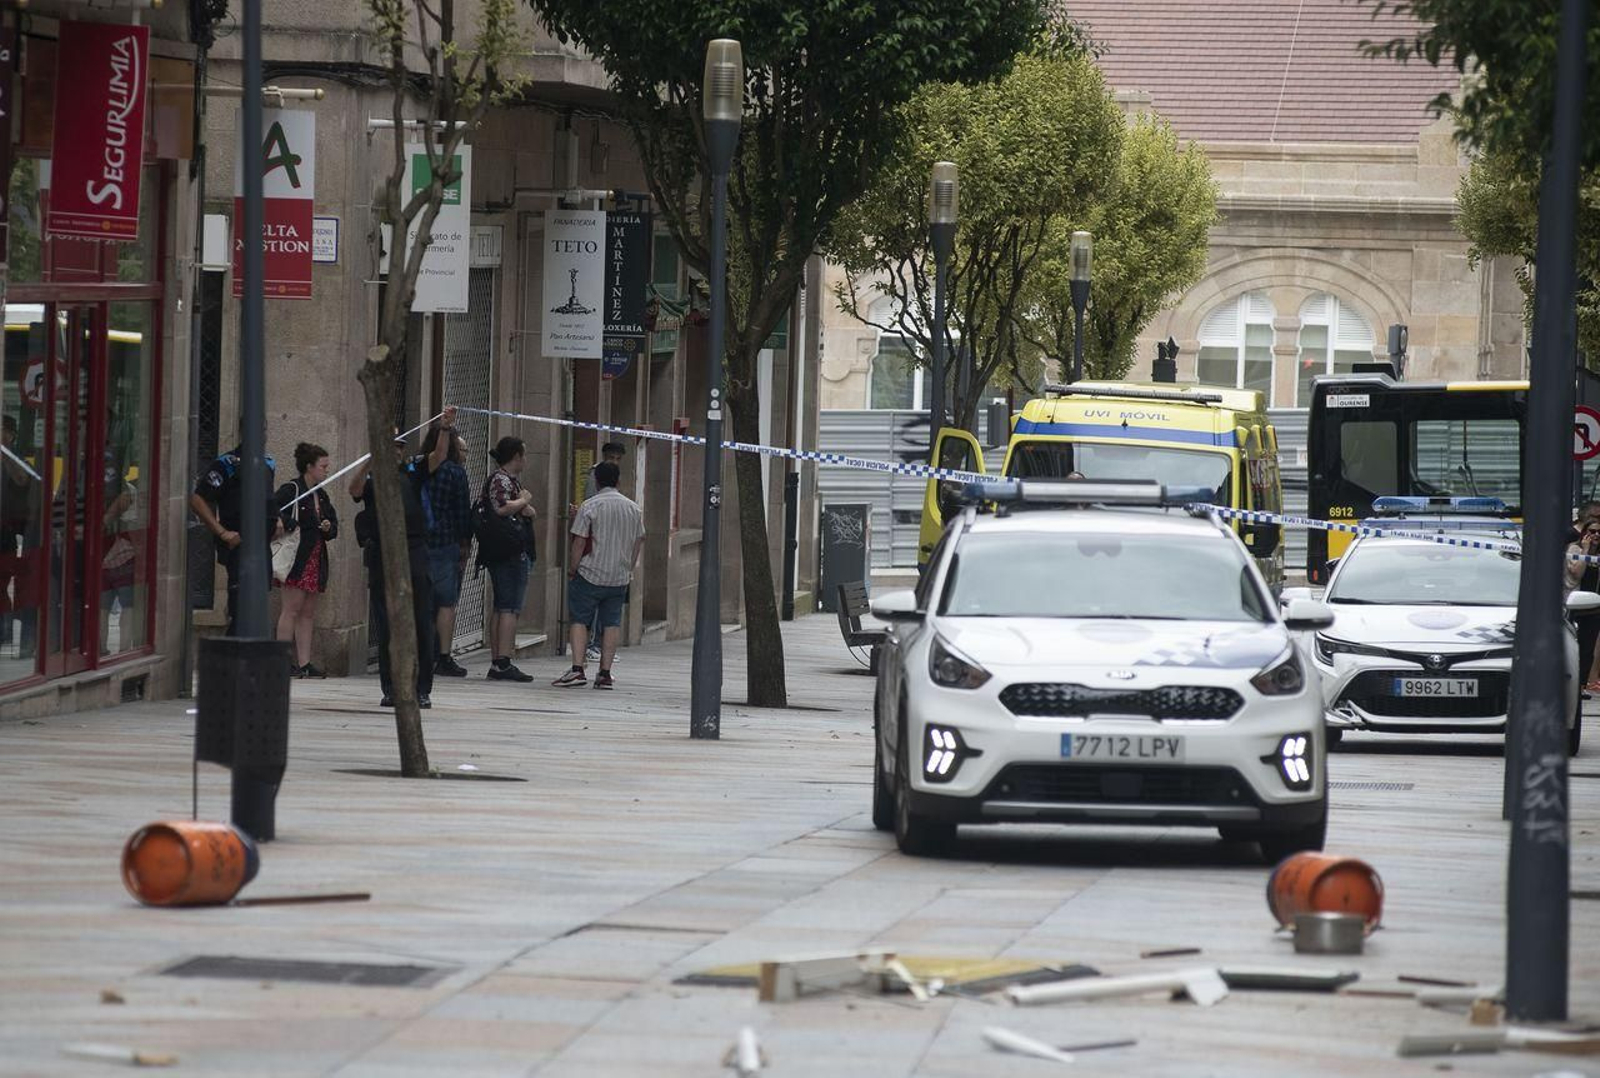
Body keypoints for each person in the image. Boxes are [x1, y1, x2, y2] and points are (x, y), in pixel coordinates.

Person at [352, 407, 456, 708]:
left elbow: (438, 456)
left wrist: (445, 429)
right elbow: (353, 490)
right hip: (382, 554)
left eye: (399, 446)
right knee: (386, 626)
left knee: (422, 622)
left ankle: (421, 688)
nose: (396, 452)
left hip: (414, 551)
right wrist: (371, 459)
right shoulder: (371, 478)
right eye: (390, 446)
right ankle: (391, 688)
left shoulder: (412, 471)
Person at [553, 461, 644, 690]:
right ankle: (605, 673)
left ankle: (577, 670)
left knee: (580, 620)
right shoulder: (634, 509)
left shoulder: (590, 506)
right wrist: (628, 568)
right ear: (618, 481)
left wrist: (573, 569)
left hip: (590, 573)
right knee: (611, 622)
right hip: (619, 577)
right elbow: (638, 541)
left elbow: (579, 540)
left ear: (596, 481)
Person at [189, 433, 284, 635]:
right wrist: (222, 532)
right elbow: (198, 500)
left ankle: (252, 661)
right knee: (241, 610)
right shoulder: (226, 463)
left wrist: (277, 519)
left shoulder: (268, 462)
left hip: (262, 546)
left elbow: (268, 498)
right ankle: (229, 660)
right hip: (239, 546)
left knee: (257, 608)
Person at [274, 443, 338, 678]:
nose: (326, 470)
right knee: (290, 609)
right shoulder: (292, 489)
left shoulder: (320, 493)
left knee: (308, 612)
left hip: (315, 557)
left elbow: (332, 521)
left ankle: (304, 662)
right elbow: (273, 509)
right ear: (309, 467)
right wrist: (288, 523)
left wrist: (329, 526)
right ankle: (282, 660)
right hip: (296, 558)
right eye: (323, 466)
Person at [483, 436, 537, 682]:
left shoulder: (507, 480)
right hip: (509, 551)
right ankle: (503, 661)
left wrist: (525, 507)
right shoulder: (501, 479)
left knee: (503, 605)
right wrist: (524, 501)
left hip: (505, 551)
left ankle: (499, 660)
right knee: (509, 607)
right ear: (516, 456)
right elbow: (502, 508)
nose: (525, 460)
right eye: (523, 455)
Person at [421, 425, 473, 678]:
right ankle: (443, 655)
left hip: (419, 544)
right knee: (445, 602)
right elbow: (463, 511)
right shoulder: (455, 472)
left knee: (423, 602)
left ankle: (422, 652)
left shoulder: (418, 467)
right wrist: (466, 544)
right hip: (446, 542)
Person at [573, 442, 627, 663]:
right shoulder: (596, 476)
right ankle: (592, 646)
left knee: (608, 613)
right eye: (611, 457)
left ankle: (598, 646)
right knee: (592, 610)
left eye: (618, 458)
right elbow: (587, 507)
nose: (614, 462)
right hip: (595, 553)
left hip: (610, 554)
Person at [1567, 515, 1600, 692]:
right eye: (1592, 531)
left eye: (1599, 532)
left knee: (1589, 649)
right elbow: (1576, 574)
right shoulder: (1576, 549)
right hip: (1576, 604)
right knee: (1575, 646)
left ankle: (1582, 684)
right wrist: (1586, 550)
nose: (1596, 535)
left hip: (1595, 606)